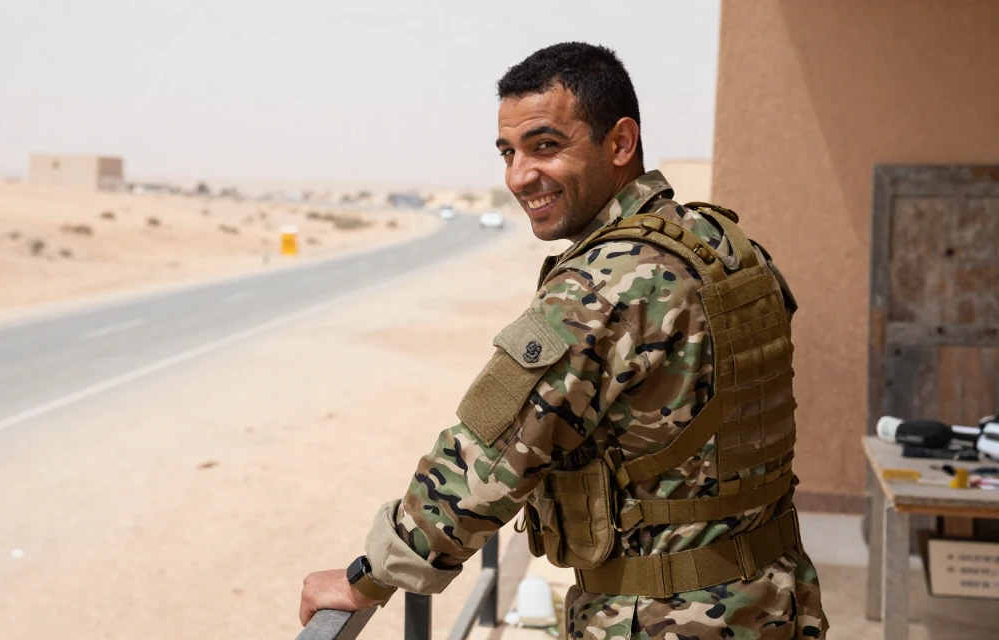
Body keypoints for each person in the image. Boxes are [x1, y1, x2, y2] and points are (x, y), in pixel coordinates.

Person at [299, 42, 829, 639]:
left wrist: (369, 577)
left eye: (545, 146)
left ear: (620, 143)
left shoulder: (602, 284)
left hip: (665, 618)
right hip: (777, 603)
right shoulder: (724, 243)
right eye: (508, 152)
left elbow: (489, 455)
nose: (519, 176)